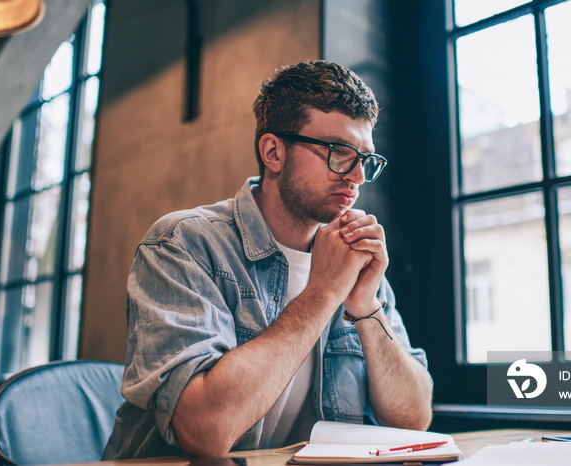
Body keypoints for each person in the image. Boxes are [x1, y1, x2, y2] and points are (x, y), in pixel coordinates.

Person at [102, 60, 433, 460]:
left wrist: (365, 306)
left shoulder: (355, 263)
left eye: (366, 159)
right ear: (274, 152)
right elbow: (205, 431)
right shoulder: (183, 244)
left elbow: (414, 418)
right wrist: (324, 292)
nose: (357, 176)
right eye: (340, 152)